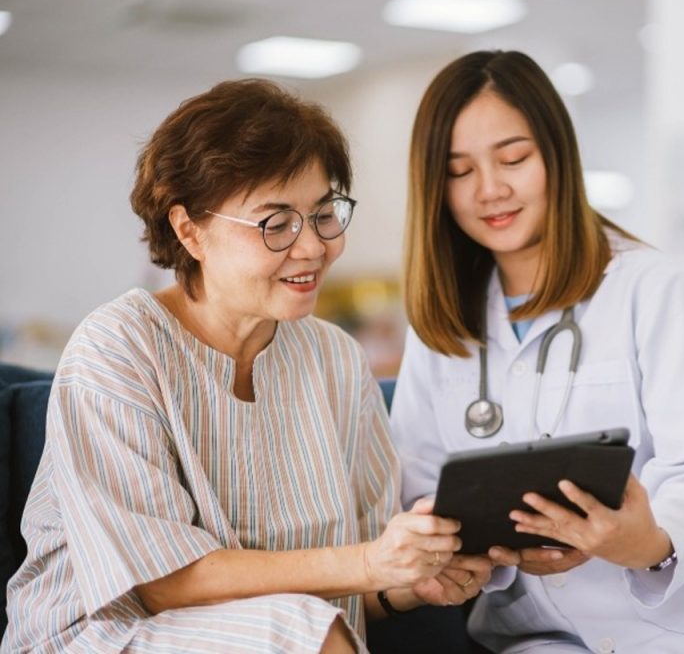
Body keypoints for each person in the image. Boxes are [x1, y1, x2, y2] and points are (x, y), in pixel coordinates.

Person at [3, 79, 491, 654]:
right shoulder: (117, 347)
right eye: (276, 222)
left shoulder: (335, 358)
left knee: (305, 629)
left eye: (323, 214)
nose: (312, 246)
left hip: (297, 633)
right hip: (105, 634)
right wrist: (368, 563)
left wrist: (408, 582)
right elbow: (161, 584)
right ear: (189, 231)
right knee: (295, 634)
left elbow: (352, 584)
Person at [389, 50, 684, 652]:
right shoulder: (440, 322)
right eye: (458, 170)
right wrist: (464, 550)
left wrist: (643, 542)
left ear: (556, 155)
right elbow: (421, 489)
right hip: (540, 632)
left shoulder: (648, 285)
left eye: (513, 158)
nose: (490, 189)